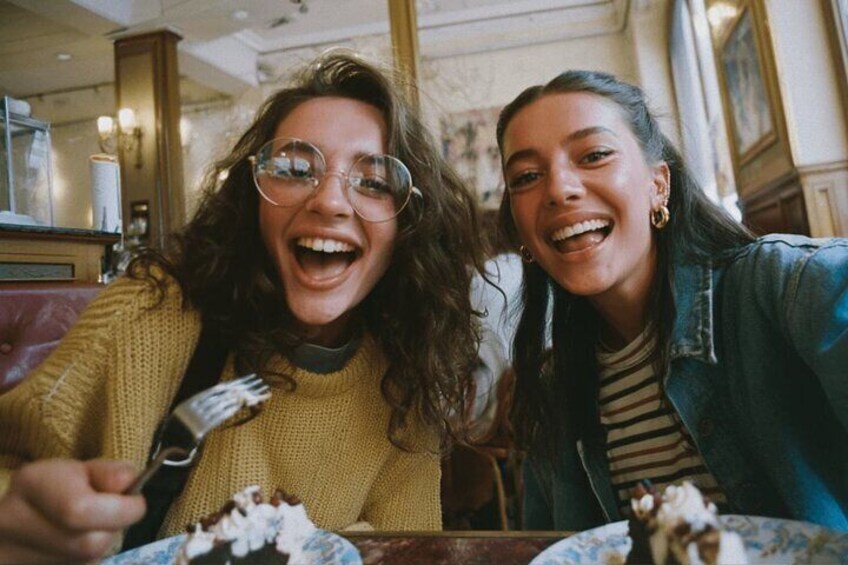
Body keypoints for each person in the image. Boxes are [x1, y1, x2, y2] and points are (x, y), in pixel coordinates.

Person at [0, 52, 486, 563]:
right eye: (296, 169)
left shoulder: (406, 379)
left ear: (409, 223)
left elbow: (405, 550)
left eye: (374, 182)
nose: (329, 201)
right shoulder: (152, 311)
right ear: (252, 195)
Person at [495, 69, 848, 532]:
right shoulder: (554, 391)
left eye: (594, 155)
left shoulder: (790, 288)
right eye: (526, 176)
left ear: (658, 184)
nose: (559, 190)